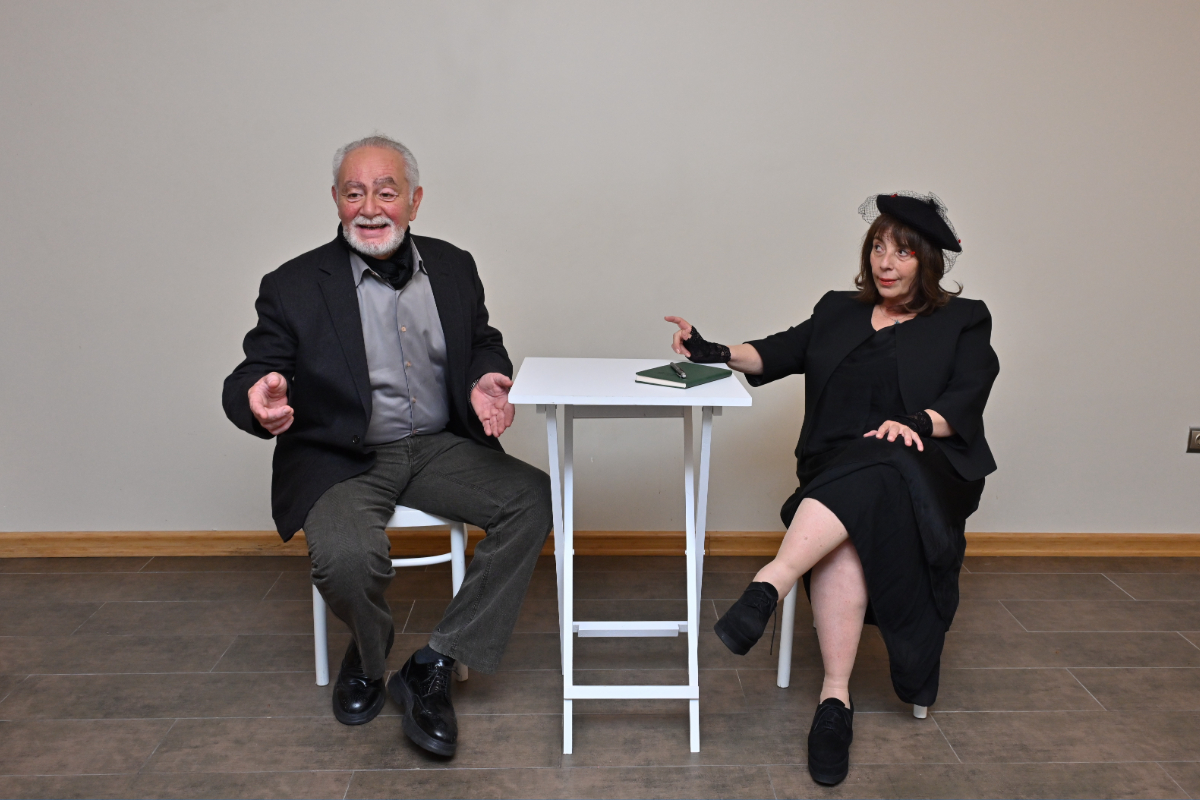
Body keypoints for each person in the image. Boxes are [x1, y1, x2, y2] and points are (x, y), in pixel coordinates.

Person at [222, 135, 552, 758]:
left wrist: (486, 375)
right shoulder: (293, 284)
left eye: (386, 192)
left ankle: (434, 663)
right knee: (347, 560)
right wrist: (256, 397)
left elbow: (482, 339)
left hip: (437, 446)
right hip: (343, 457)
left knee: (534, 497)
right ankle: (370, 654)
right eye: (354, 193)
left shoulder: (454, 266)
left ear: (415, 201)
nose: (370, 208)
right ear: (336, 200)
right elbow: (254, 371)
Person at [666, 192, 998, 786]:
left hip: (921, 469)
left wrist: (915, 423)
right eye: (878, 247)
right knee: (847, 531)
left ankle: (769, 583)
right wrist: (710, 350)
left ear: (927, 262)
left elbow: (966, 398)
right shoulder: (837, 310)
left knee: (884, 453)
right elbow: (776, 352)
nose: (885, 262)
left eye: (902, 252)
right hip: (837, 476)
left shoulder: (963, 319)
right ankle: (834, 702)